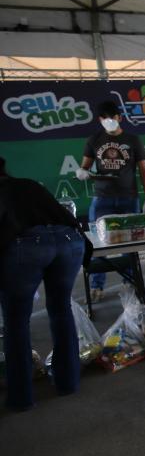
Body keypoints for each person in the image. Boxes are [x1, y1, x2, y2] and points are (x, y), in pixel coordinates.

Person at [0, 157, 86, 411]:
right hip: (70, 241)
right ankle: (68, 383)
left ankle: (21, 399)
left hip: (25, 247)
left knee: (16, 321)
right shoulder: (27, 185)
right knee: (61, 309)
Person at [76, 100, 145, 302]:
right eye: (105, 118)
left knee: (129, 242)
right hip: (102, 198)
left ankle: (129, 281)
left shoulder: (133, 139)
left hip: (129, 198)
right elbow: (84, 167)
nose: (109, 121)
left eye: (113, 117)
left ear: (120, 117)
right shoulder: (94, 140)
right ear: (100, 120)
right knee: (96, 244)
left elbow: (144, 170)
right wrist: (82, 172)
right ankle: (97, 285)